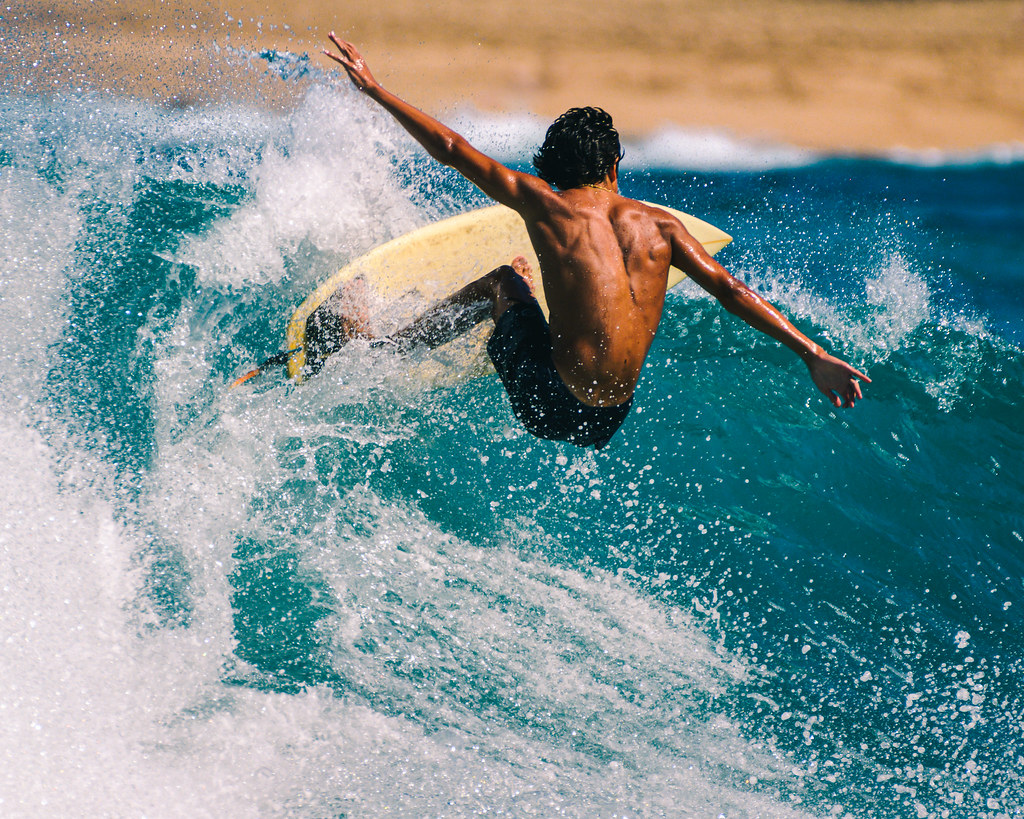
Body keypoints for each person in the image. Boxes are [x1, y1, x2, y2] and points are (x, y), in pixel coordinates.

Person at [322, 34, 869, 449]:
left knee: (502, 281)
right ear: (613, 164)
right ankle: (524, 297)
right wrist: (813, 354)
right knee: (535, 285)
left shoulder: (548, 204)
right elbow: (730, 289)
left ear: (557, 170)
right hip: (607, 421)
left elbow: (450, 146)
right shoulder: (662, 228)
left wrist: (374, 88)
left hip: (549, 402)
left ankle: (381, 348)